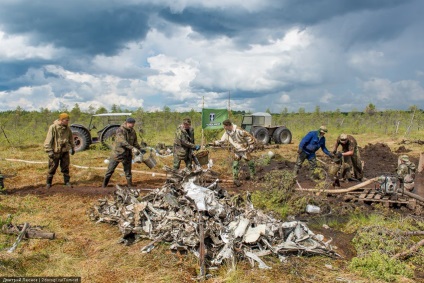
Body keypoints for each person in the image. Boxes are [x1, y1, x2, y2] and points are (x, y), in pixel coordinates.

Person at [102, 117, 144, 188]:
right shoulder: (120, 130)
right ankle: (104, 186)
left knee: (128, 172)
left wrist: (140, 149)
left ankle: (130, 186)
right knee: (110, 171)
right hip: (117, 154)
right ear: (127, 123)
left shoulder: (132, 131)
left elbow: (135, 142)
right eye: (131, 123)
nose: (132, 125)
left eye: (133, 124)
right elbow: (122, 142)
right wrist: (132, 148)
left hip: (127, 154)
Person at [214, 119, 256, 187]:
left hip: (244, 149)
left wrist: (251, 145)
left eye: (225, 126)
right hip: (236, 150)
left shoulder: (239, 130)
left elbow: (249, 136)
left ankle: (253, 177)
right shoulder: (227, 132)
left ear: (229, 125)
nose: (224, 127)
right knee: (235, 164)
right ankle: (235, 178)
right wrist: (215, 143)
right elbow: (222, 140)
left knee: (250, 163)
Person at [44, 112, 75, 189]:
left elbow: (71, 139)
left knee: (65, 167)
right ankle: (48, 183)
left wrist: (72, 148)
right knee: (52, 167)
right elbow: (48, 140)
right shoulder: (53, 127)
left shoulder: (68, 129)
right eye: (66, 120)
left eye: (68, 120)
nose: (68, 121)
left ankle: (67, 182)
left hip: (65, 151)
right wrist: (49, 151)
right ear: (61, 120)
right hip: (55, 152)